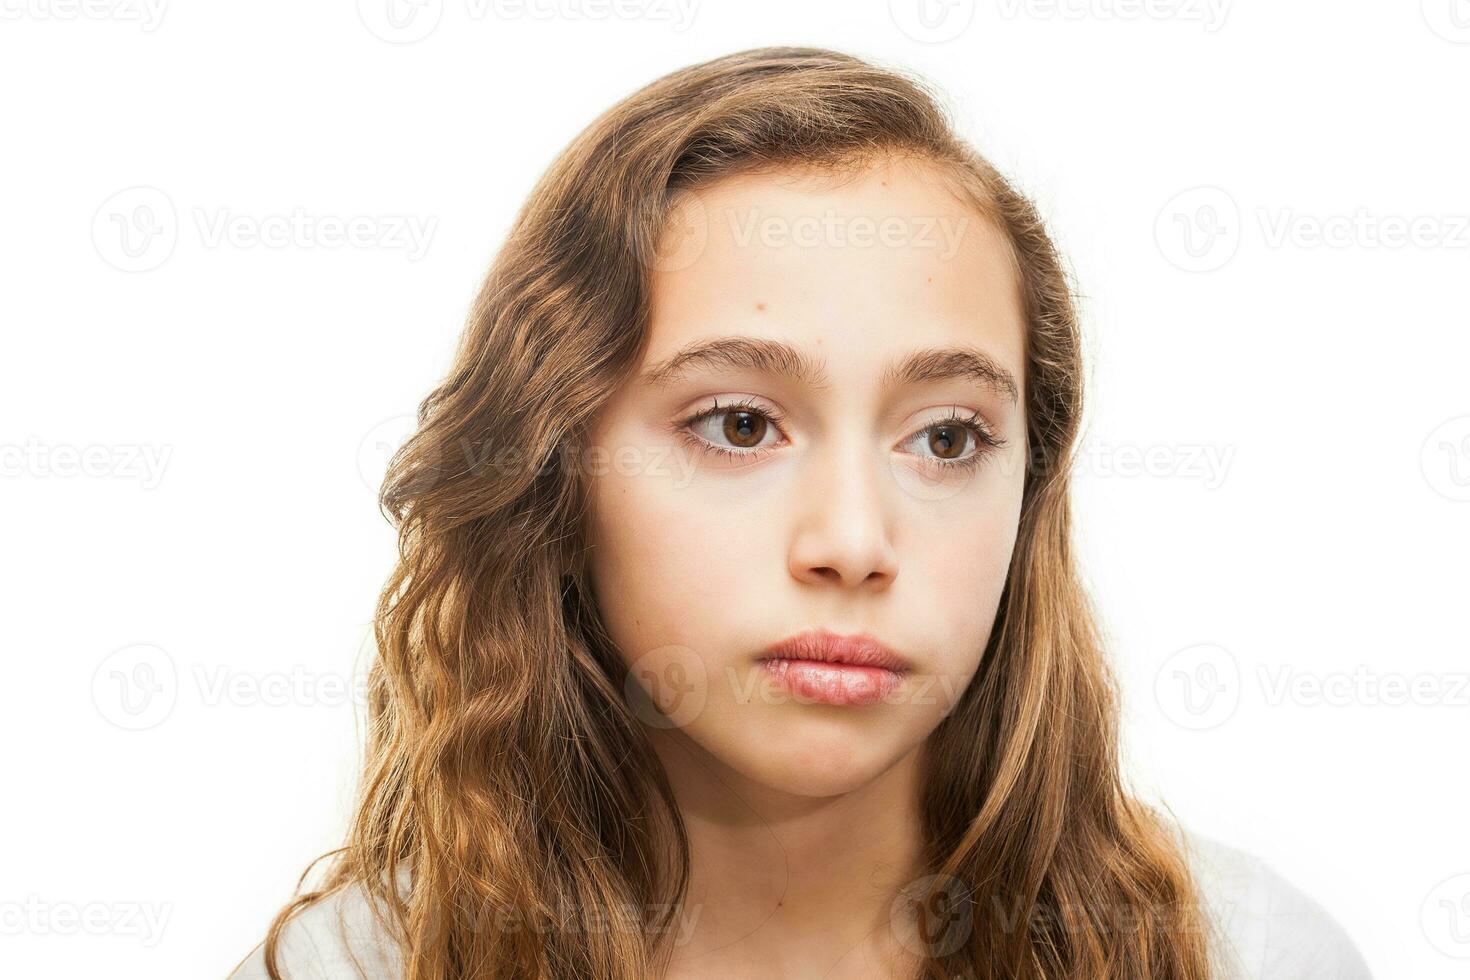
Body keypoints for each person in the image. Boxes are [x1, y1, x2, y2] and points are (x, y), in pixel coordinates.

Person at [228, 47, 1372, 979]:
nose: (853, 545)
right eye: (737, 425)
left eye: (947, 437)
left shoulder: (1240, 957)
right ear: (557, 471)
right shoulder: (365, 965)